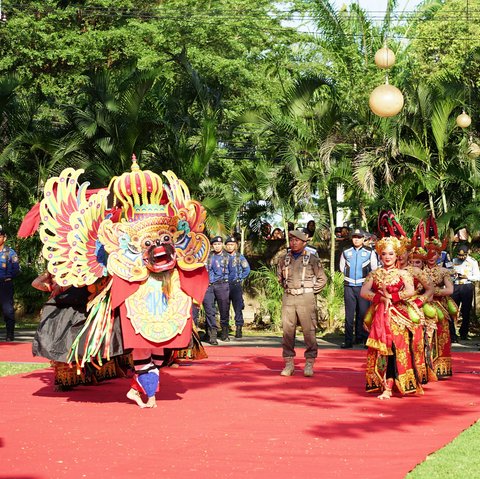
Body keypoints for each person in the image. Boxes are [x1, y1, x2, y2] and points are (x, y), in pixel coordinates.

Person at [360, 237, 421, 399]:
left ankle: (395, 383)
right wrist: (380, 298)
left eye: (391, 254)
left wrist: (392, 297)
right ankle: (384, 385)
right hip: (380, 314)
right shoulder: (374, 274)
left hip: (399, 315)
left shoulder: (403, 274)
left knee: (397, 349)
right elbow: (364, 292)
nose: (387, 257)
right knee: (382, 350)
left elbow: (410, 291)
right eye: (384, 254)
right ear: (380, 255)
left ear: (397, 255)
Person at [277, 229, 327, 377]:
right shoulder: (283, 259)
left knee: (309, 331)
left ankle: (309, 363)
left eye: (297, 240)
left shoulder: (312, 259)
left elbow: (322, 279)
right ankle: (289, 364)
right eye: (291, 240)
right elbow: (280, 278)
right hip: (289, 297)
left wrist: (310, 291)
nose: (293, 243)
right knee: (287, 331)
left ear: (304, 243)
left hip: (306, 298)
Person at [423, 238, 457, 378]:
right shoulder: (419, 270)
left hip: (440, 305)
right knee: (425, 336)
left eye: (435, 254)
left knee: (441, 335)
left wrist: (433, 292)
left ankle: (440, 368)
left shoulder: (444, 271)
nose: (431, 257)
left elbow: (450, 290)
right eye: (429, 254)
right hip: (423, 305)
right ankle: (425, 366)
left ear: (439, 255)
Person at [339, 228, 378, 348]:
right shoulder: (346, 251)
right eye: (354, 237)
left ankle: (364, 339)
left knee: (364, 313)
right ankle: (348, 340)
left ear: (363, 239)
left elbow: (374, 269)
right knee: (349, 315)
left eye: (359, 237)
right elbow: (342, 267)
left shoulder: (369, 252)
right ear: (352, 238)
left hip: (363, 287)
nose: (356, 239)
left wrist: (368, 284)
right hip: (349, 286)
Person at [203, 236, 233, 344]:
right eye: (215, 244)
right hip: (209, 286)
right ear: (212, 246)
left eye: (219, 244)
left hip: (222, 285)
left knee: (224, 309)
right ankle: (212, 335)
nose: (217, 246)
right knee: (209, 310)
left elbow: (233, 272)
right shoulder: (207, 256)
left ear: (222, 245)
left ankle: (224, 333)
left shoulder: (228, 257)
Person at [451, 243, 480, 341]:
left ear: (468, 253)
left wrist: (467, 277)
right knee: (453, 311)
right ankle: (453, 334)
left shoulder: (473, 262)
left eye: (464, 255)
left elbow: (477, 277)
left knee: (466, 311)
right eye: (459, 255)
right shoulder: (453, 261)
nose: (461, 257)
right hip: (455, 286)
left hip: (467, 286)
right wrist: (453, 275)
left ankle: (464, 333)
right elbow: (448, 273)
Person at [224, 236, 251, 338]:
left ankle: (239, 329)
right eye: (228, 245)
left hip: (236, 285)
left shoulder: (240, 257)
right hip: (224, 285)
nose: (230, 247)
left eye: (232, 244)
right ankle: (225, 329)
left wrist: (240, 278)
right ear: (225, 246)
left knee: (238, 308)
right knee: (224, 308)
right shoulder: (222, 256)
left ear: (235, 246)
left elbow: (247, 269)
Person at [0, 226, 20, 341]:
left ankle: (9, 334)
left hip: (5, 285)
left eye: (0, 236)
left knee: (8, 310)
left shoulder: (10, 253)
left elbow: (16, 269)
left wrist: (9, 277)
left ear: (4, 238)